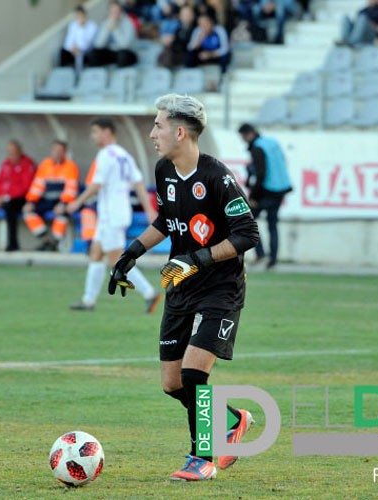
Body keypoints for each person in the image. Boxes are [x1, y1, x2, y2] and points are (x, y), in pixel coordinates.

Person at [107, 94, 259, 481]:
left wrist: (199, 259)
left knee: (193, 375)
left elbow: (247, 234)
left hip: (221, 289)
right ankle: (234, 419)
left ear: (179, 132)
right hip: (180, 283)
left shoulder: (218, 178)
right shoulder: (164, 170)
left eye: (158, 125)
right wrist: (132, 252)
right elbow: (165, 219)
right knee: (172, 383)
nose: (152, 132)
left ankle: (202, 457)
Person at [66, 118, 161, 312]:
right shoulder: (124, 155)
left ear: (107, 132)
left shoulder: (105, 155)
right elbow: (139, 184)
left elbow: (97, 184)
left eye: (95, 132)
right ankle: (88, 300)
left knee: (116, 260)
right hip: (115, 212)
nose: (93, 136)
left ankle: (149, 293)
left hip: (111, 214)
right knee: (96, 252)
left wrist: (77, 201)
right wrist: (150, 210)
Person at [237, 123, 292, 270]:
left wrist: (254, 196)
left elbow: (261, 173)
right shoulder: (271, 142)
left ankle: (260, 253)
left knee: (247, 221)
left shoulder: (257, 148)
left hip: (267, 190)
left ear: (249, 134)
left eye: (243, 137)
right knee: (272, 225)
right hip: (281, 188)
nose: (243, 140)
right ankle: (272, 260)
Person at [23, 140, 80, 251]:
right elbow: (37, 186)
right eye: (54, 150)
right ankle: (46, 239)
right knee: (28, 211)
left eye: (60, 151)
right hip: (47, 199)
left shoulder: (71, 166)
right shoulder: (45, 164)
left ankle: (54, 242)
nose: (57, 153)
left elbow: (71, 189)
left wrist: (63, 203)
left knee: (63, 213)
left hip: (62, 201)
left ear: (65, 153)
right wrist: (31, 201)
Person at [85, 1, 139, 68]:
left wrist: (115, 30)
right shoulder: (105, 23)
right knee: (92, 55)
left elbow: (125, 45)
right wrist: (107, 29)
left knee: (123, 56)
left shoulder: (128, 22)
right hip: (111, 53)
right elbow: (98, 45)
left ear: (121, 11)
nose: (114, 13)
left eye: (116, 11)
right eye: (112, 11)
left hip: (125, 52)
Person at [157, 4, 197, 69]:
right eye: (184, 14)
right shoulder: (178, 27)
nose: (186, 17)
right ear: (180, 16)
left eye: (188, 14)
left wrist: (174, 40)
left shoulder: (196, 28)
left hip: (187, 54)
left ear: (193, 15)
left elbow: (191, 45)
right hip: (176, 52)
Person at [60, 6, 98, 72]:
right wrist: (72, 48)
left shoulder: (92, 26)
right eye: (78, 15)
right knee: (63, 52)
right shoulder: (73, 25)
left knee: (83, 54)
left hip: (86, 51)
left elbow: (88, 43)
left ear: (85, 15)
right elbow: (67, 42)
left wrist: (82, 28)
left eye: (81, 15)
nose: (80, 17)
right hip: (73, 50)